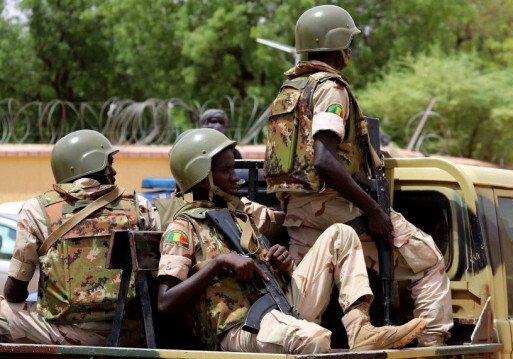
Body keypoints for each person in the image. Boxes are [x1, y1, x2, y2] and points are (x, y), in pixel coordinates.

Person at [263, 4, 453, 346]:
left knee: (305, 305)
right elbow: (323, 159)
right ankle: (431, 344)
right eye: (348, 41)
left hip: (298, 212)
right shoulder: (330, 89)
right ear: (338, 44)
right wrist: (374, 211)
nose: (350, 49)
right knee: (428, 259)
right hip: (335, 206)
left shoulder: (289, 91)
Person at [156, 128, 427, 353]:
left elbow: (265, 270)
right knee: (315, 338)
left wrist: (281, 265)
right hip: (239, 327)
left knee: (341, 234)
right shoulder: (183, 228)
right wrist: (218, 263)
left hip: (278, 306)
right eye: (226, 170)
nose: (235, 178)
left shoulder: (239, 215)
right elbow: (165, 302)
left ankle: (360, 329)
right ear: (201, 175)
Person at [0, 129, 160, 346]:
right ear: (93, 163)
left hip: (66, 333)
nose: (114, 171)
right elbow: (155, 280)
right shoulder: (140, 206)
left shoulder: (37, 210)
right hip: (130, 332)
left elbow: (15, 292)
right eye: (109, 163)